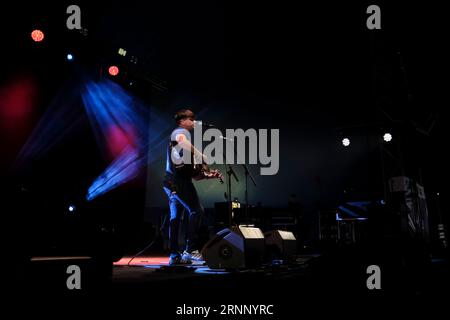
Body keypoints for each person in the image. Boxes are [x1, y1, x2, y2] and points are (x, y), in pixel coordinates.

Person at [163, 109, 222, 265]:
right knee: (197, 210)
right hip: (178, 181)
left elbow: (195, 175)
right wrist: (200, 154)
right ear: (182, 121)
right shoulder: (179, 132)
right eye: (191, 119)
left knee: (176, 218)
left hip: (172, 182)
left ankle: (174, 255)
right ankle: (190, 251)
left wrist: (210, 175)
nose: (194, 122)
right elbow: (182, 141)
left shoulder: (185, 147)